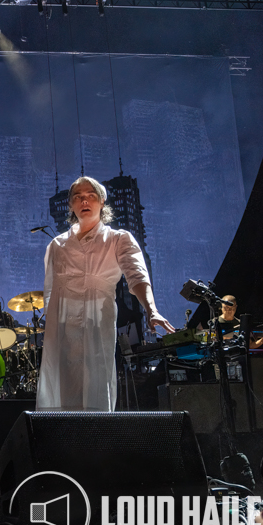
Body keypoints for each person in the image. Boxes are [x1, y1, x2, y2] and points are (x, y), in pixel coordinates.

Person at [37, 176, 175, 411]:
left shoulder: (117, 239)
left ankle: (96, 439)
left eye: (91, 195)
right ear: (70, 205)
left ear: (102, 202)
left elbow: (137, 276)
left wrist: (152, 310)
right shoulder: (56, 246)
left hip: (96, 324)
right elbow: (50, 292)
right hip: (62, 331)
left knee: (96, 382)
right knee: (62, 389)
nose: (84, 201)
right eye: (77, 197)